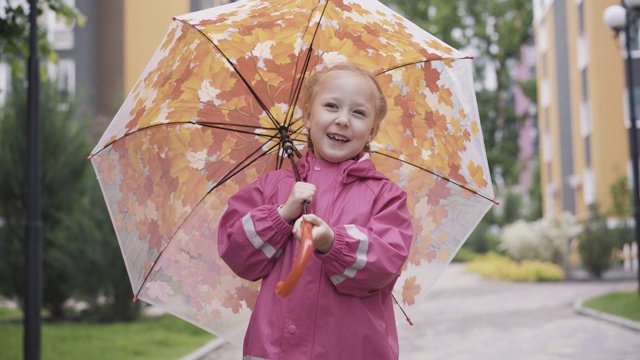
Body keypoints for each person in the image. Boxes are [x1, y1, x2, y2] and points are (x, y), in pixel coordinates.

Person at [218, 63, 413, 359]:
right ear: (308, 115)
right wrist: (280, 215)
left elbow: (385, 263)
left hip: (352, 350)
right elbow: (236, 250)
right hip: (274, 348)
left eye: (358, 113)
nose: (343, 120)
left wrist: (332, 243)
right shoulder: (274, 186)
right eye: (331, 106)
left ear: (372, 130)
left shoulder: (385, 195)